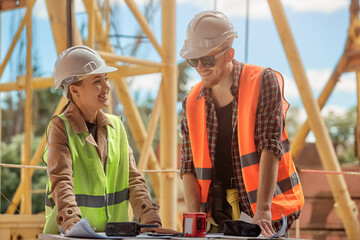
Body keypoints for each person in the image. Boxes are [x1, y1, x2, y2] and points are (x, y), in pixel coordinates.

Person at [179, 11, 304, 237]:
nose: (200, 67)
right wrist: (194, 216)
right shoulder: (191, 101)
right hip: (216, 215)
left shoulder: (262, 81)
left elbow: (270, 146)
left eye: (207, 59)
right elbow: (188, 165)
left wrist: (263, 210)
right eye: (193, 60)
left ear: (230, 54)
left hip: (262, 212)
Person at [43, 45, 171, 234]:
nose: (106, 87)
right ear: (75, 90)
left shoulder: (116, 126)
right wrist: (73, 224)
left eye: (106, 79)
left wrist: (150, 222)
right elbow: (62, 181)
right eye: (97, 81)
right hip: (74, 235)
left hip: (115, 234)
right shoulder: (60, 127)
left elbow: (134, 180)